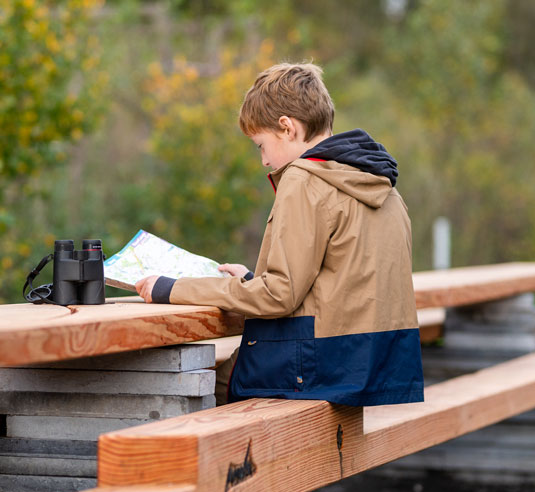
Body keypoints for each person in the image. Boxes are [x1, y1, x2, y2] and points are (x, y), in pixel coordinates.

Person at [135, 62, 424, 407]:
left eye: (260, 145)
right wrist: (250, 279)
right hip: (378, 365)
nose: (263, 161)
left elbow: (279, 296)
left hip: (324, 368)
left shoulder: (304, 179)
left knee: (204, 387)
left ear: (286, 128)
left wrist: (171, 288)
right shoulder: (382, 185)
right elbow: (337, 285)